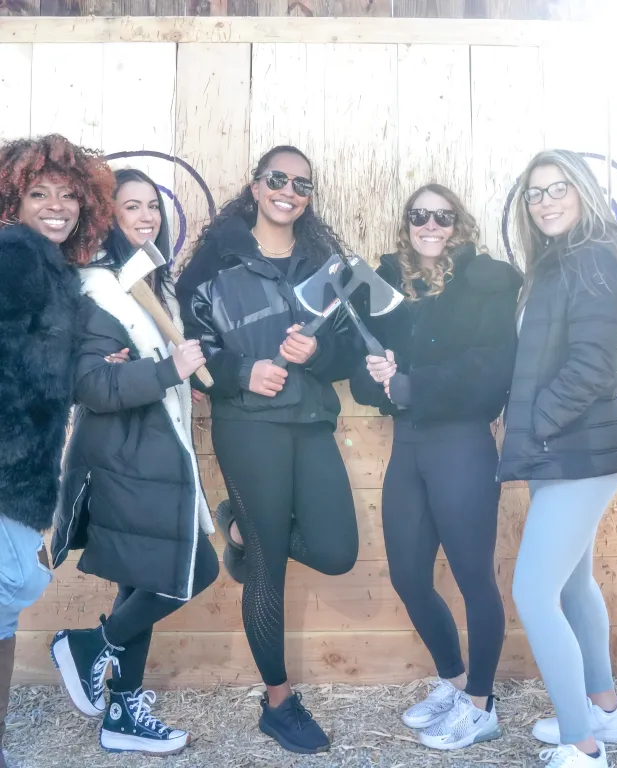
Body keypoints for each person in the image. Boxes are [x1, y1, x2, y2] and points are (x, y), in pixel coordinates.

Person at [175, 145, 359, 755]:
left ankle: (239, 527)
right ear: (255, 186)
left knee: (336, 552)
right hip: (248, 425)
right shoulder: (214, 264)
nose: (289, 190)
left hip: (311, 422)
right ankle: (278, 704)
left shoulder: (324, 266)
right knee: (268, 566)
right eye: (277, 179)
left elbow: (347, 350)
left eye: (302, 183)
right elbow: (192, 353)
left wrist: (320, 354)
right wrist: (241, 372)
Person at [49, 168, 217, 757]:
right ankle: (89, 647)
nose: (146, 217)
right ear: (107, 216)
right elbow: (92, 386)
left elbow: (141, 369)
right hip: (125, 459)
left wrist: (177, 379)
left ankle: (123, 711)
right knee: (192, 570)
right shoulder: (100, 288)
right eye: (131, 206)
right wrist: (167, 370)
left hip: (153, 453)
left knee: (142, 582)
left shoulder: (149, 283)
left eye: (152, 206)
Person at [349, 184, 521, 750]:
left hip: (461, 443)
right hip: (408, 445)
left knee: (474, 578)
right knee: (408, 577)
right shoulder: (386, 285)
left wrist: (412, 382)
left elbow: (491, 368)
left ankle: (482, 705)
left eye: (443, 217)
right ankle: (455, 681)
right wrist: (380, 374)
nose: (431, 225)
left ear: (458, 223)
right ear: (407, 223)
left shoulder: (487, 281)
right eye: (419, 215)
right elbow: (365, 377)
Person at [499, 150, 617, 767]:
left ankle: (581, 746)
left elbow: (594, 365)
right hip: (566, 449)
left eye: (559, 188)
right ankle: (604, 711)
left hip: (576, 449)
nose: (546, 201)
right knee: (574, 584)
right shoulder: (561, 260)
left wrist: (536, 424)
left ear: (584, 190)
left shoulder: (592, 256)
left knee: (535, 594)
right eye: (535, 194)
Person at [0, 134, 114, 768]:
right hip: (9, 466)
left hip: (26, 469)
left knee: (5, 613)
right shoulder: (15, 255)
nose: (55, 207)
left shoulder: (55, 270)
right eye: (39, 194)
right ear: (14, 202)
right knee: (12, 587)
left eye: (67, 196)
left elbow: (42, 365)